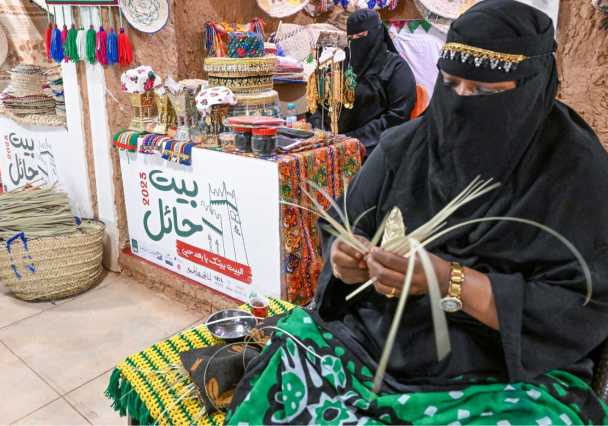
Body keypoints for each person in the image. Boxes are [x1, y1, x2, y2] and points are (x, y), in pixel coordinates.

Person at [227, 1, 608, 424]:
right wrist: (345, 260)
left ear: (537, 85)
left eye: (483, 91)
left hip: (503, 369)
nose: (462, 101)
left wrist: (449, 280)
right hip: (380, 338)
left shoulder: (575, 172)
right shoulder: (404, 147)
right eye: (451, 83)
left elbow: (580, 306)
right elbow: (345, 227)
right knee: (280, 377)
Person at [309, 9, 417, 157]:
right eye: (351, 37)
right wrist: (320, 130)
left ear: (377, 34)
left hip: (373, 148)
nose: (356, 42)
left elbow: (397, 117)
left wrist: (352, 140)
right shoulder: (340, 64)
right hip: (330, 145)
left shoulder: (395, 68)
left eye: (361, 36)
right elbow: (318, 104)